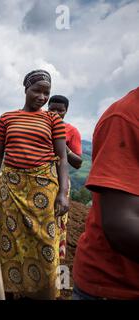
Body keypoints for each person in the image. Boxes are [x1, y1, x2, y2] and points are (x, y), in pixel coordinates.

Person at [0, 69, 69, 300]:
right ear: (25, 89)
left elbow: (62, 158)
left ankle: (45, 293)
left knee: (45, 242)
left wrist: (63, 193)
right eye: (37, 91)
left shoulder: (52, 119)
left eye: (46, 93)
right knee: (10, 240)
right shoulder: (7, 118)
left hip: (43, 189)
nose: (42, 97)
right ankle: (12, 289)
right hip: (10, 188)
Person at [72, 86, 139, 300]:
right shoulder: (125, 117)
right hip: (116, 286)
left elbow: (75, 161)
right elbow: (120, 225)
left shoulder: (69, 131)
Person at [48, 94, 83, 260]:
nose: (55, 113)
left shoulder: (72, 131)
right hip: (37, 179)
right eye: (52, 109)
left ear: (66, 111)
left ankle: (55, 256)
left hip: (59, 181)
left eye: (60, 110)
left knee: (57, 220)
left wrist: (63, 148)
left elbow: (78, 163)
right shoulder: (41, 124)